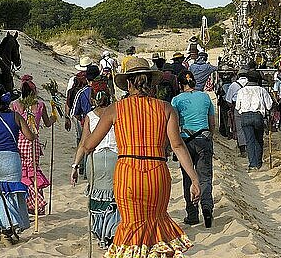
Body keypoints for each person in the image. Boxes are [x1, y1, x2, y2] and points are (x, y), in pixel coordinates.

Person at [78, 57, 200, 257]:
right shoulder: (166, 108)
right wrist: (194, 179)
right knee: (155, 223)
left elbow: (89, 145)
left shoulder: (115, 109)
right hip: (157, 173)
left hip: (128, 173)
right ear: (151, 82)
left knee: (130, 226)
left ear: (127, 83)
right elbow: (177, 146)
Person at [0, 85, 35, 242]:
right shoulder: (16, 116)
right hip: (10, 160)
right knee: (10, 195)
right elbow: (30, 137)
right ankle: (9, 228)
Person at [71, 81, 120, 249]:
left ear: (93, 98)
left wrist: (75, 166)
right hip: (116, 158)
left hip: (95, 159)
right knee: (114, 198)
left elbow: (84, 144)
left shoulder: (90, 117)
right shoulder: (117, 112)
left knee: (97, 197)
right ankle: (112, 233)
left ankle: (100, 234)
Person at [171, 71, 216, 227]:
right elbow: (212, 121)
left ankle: (192, 213)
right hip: (204, 139)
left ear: (180, 84)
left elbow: (174, 124)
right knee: (205, 176)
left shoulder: (176, 100)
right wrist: (211, 136)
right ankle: (207, 207)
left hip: (185, 142)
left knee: (188, 177)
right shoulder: (205, 97)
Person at [11, 75, 57, 215]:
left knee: (22, 171)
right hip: (33, 142)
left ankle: (26, 201)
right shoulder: (39, 105)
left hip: (19, 141)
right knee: (33, 171)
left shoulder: (15, 105)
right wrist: (54, 117)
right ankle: (36, 202)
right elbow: (48, 123)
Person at [236, 70, 273, 171]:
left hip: (245, 116)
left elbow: (237, 106)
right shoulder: (262, 90)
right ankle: (259, 163)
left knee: (249, 140)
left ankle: (252, 164)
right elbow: (269, 106)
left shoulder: (241, 91)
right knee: (259, 140)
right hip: (258, 116)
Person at [225, 68, 249, 156]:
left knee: (239, 129)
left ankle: (243, 150)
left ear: (238, 76)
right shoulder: (251, 85)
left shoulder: (233, 85)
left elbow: (228, 100)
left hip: (237, 107)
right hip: (250, 108)